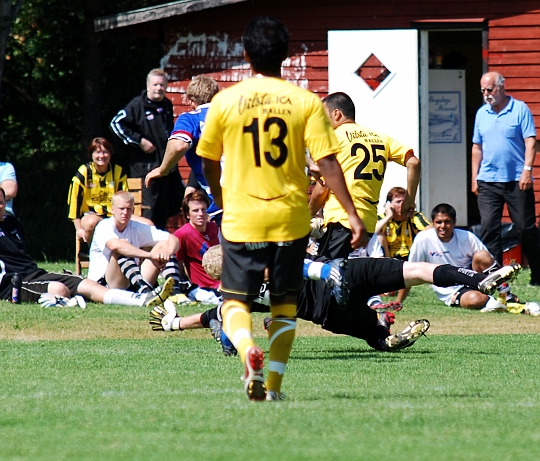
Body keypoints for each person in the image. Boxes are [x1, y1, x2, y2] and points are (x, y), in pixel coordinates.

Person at [196, 16, 365, 402]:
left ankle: (246, 351)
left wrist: (221, 201)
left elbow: (207, 160)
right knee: (285, 304)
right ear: (287, 56)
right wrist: (352, 214)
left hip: (243, 217)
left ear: (245, 55)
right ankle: (272, 387)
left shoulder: (224, 102)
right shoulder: (306, 102)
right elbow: (327, 163)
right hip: (290, 217)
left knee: (235, 301)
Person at [150, 255, 520, 355]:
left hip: (331, 312)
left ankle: (382, 336)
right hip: (348, 272)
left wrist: (173, 323)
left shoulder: (239, 297)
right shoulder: (269, 255)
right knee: (417, 271)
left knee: (373, 336)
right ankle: (477, 279)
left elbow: (211, 314)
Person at [0, 184, 173, 307]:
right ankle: (68, 300)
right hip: (11, 284)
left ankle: (141, 299)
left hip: (34, 274)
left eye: (0, 202)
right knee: (59, 289)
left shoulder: (12, 222)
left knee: (90, 285)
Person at [311, 92, 421, 259]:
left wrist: (307, 215)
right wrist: (409, 200)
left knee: (321, 272)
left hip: (341, 219)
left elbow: (322, 188)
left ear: (336, 114)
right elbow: (414, 162)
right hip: (368, 223)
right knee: (346, 274)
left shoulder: (333, 138)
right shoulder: (381, 138)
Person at [472, 72, 540, 284]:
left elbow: (530, 142)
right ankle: (496, 277)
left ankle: (537, 272)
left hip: (516, 179)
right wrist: (474, 177)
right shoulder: (482, 113)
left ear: (501, 87)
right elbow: (477, 147)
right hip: (488, 179)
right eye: (483, 90)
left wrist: (527, 170)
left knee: (525, 227)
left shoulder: (519, 109)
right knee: (489, 228)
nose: (486, 94)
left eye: (489, 90)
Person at [407, 203, 520, 311]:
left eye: (447, 222)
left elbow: (490, 263)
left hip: (473, 280)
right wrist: (399, 300)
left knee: (482, 255)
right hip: (451, 290)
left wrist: (504, 288)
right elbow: (409, 272)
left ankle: (506, 295)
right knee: (475, 300)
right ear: (433, 223)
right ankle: (493, 302)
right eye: (439, 222)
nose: (443, 226)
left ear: (454, 222)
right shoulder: (423, 239)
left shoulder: (467, 237)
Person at [110, 68, 184, 229]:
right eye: (156, 84)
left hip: (165, 168)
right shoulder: (137, 106)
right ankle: (144, 251)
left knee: (168, 208)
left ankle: (159, 250)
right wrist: (139, 141)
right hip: (145, 169)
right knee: (148, 212)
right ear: (148, 85)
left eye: (162, 85)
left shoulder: (166, 105)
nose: (159, 88)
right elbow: (116, 123)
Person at [87, 191, 189, 303]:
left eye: (128, 209)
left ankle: (174, 292)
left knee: (164, 244)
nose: (125, 212)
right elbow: (115, 246)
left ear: (133, 210)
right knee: (121, 247)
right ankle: (144, 291)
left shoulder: (136, 227)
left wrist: (167, 252)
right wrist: (150, 256)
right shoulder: (104, 226)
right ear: (113, 210)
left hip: (132, 280)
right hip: (105, 285)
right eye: (121, 208)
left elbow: (172, 238)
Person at [144, 75, 220, 213]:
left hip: (223, 197)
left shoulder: (192, 118)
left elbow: (179, 145)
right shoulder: (235, 116)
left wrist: (163, 169)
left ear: (191, 102)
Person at [67, 137, 128, 243]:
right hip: (91, 215)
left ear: (110, 154)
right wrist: (79, 229)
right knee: (91, 223)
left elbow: (125, 198)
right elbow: (74, 202)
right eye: (97, 152)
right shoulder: (84, 173)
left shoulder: (118, 172)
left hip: (115, 216)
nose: (102, 156)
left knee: (148, 224)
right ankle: (94, 253)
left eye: (105, 152)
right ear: (91, 154)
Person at [173, 191, 220, 292]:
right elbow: (178, 263)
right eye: (195, 211)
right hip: (204, 288)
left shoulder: (213, 227)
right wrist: (177, 289)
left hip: (224, 280)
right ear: (187, 215)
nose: (201, 214)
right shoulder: (182, 234)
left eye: (203, 209)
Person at [375, 187, 431, 260]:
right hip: (390, 259)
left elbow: (430, 232)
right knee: (379, 236)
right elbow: (374, 232)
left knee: (424, 236)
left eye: (404, 202)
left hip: (411, 259)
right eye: (398, 202)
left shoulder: (414, 216)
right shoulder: (383, 218)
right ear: (389, 205)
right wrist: (389, 216)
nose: (402, 205)